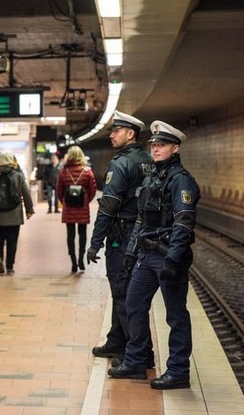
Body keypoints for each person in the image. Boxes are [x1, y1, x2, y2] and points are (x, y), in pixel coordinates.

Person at [108, 121, 200, 390]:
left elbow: (183, 223)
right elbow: (141, 220)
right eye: (154, 145)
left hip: (168, 257)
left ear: (175, 147)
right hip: (146, 257)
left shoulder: (180, 180)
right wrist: (130, 251)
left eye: (162, 145)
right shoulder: (152, 177)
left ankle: (178, 371)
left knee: (175, 316)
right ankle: (136, 362)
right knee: (134, 304)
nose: (156, 149)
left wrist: (173, 258)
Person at [87, 112, 154, 363]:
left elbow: (108, 207)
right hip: (141, 234)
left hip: (123, 234)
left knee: (124, 293)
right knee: (125, 292)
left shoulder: (121, 163)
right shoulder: (148, 160)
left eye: (116, 131)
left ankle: (138, 353)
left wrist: (94, 243)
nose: (112, 135)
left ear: (130, 134)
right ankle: (117, 341)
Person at [0, 152, 35, 275]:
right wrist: (29, 210)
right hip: (14, 214)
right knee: (12, 241)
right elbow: (26, 193)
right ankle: (10, 267)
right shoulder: (18, 176)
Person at [56, 146, 97, 272]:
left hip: (68, 208)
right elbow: (93, 189)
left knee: (70, 235)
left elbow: (59, 190)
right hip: (82, 207)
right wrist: (86, 200)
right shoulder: (87, 171)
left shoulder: (64, 172)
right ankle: (81, 260)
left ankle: (73, 261)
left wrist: (64, 202)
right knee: (82, 234)